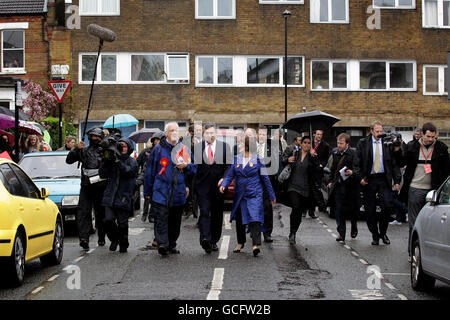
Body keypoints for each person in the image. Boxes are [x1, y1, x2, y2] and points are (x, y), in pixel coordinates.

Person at [144, 122, 197, 256]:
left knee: (175, 221)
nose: (174, 133)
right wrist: (147, 192)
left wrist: (186, 165)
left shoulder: (183, 149)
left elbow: (194, 167)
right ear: (166, 133)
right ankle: (162, 244)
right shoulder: (158, 149)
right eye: (171, 130)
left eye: (176, 130)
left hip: (178, 192)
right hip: (161, 191)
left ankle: (171, 244)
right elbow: (150, 171)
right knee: (161, 218)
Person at [399, 122, 450, 259]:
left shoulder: (441, 148)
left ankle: (428, 254)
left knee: (431, 225)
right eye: (428, 136)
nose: (430, 139)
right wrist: (397, 150)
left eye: (433, 137)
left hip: (433, 191)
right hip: (415, 188)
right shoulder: (412, 147)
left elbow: (446, 170)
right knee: (414, 223)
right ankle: (412, 252)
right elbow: (400, 162)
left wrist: (442, 190)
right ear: (422, 134)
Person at [220, 136, 276, 257]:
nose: (238, 147)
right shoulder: (236, 159)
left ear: (246, 147)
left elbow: (265, 178)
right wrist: (224, 184)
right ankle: (240, 243)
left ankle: (255, 245)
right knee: (240, 219)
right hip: (240, 194)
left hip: (254, 193)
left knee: (254, 218)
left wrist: (271, 195)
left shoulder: (258, 160)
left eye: (240, 145)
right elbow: (230, 175)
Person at [354, 121, 401, 246]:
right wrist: (360, 178)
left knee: (386, 206)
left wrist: (397, 181)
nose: (380, 134)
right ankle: (375, 234)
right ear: (371, 131)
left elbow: (394, 163)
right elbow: (356, 163)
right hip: (369, 179)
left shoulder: (387, 143)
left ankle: (383, 233)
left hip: (383, 179)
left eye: (381, 131)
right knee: (369, 210)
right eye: (377, 131)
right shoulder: (363, 143)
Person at [66, 127, 107, 250]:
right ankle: (84, 238)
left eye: (98, 137)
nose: (95, 139)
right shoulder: (83, 150)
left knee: (101, 213)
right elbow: (69, 160)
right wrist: (76, 149)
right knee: (83, 212)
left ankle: (101, 236)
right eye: (93, 137)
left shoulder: (105, 150)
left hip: (101, 186)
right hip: (86, 186)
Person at [194, 123, 232, 254]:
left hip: (218, 186)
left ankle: (214, 240)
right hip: (202, 186)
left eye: (212, 133)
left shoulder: (224, 147)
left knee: (216, 214)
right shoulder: (198, 147)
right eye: (207, 133)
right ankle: (205, 238)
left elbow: (229, 166)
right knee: (204, 211)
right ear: (204, 134)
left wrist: (225, 179)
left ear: (215, 133)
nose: (210, 135)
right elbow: (194, 168)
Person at [99, 138, 138, 253]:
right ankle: (114, 239)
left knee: (122, 224)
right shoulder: (112, 159)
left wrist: (118, 163)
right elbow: (102, 174)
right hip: (110, 195)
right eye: (121, 146)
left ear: (129, 148)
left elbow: (129, 172)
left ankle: (123, 243)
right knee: (107, 220)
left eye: (125, 146)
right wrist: (105, 162)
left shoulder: (132, 161)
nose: (123, 148)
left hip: (123, 196)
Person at [285, 136, 320, 244]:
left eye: (309, 143)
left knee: (299, 212)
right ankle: (292, 233)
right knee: (295, 207)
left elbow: (317, 171)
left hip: (305, 189)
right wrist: (287, 160)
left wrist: (314, 158)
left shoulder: (312, 156)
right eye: (304, 142)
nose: (306, 144)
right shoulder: (295, 153)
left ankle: (294, 230)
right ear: (301, 143)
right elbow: (283, 163)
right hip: (293, 186)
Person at [327, 133, 359, 243]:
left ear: (347, 144)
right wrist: (330, 181)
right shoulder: (335, 152)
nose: (339, 145)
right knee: (338, 210)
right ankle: (341, 233)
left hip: (351, 186)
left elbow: (357, 168)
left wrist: (352, 172)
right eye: (338, 143)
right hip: (338, 185)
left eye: (341, 143)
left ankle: (354, 225)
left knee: (352, 210)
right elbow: (332, 168)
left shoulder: (353, 153)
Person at [255, 125, 278, 243]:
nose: (262, 136)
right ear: (257, 135)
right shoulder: (252, 147)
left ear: (266, 135)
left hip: (266, 182)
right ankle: (255, 231)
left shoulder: (271, 148)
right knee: (255, 208)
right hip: (254, 182)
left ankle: (267, 233)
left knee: (267, 208)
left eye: (264, 134)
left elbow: (274, 165)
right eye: (260, 134)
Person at [137, 131, 164, 223]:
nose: (157, 142)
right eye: (155, 140)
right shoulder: (146, 152)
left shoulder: (163, 151)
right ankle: (145, 214)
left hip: (158, 177)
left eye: (158, 140)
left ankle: (152, 215)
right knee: (147, 196)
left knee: (154, 197)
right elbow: (138, 162)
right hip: (147, 176)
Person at [308, 129, 329, 218]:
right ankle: (304, 209)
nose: (319, 136)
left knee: (315, 192)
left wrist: (322, 165)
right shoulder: (309, 143)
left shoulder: (325, 145)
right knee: (306, 190)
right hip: (308, 170)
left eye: (321, 134)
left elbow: (326, 158)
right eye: (318, 134)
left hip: (317, 171)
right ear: (314, 135)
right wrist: (310, 152)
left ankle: (312, 211)